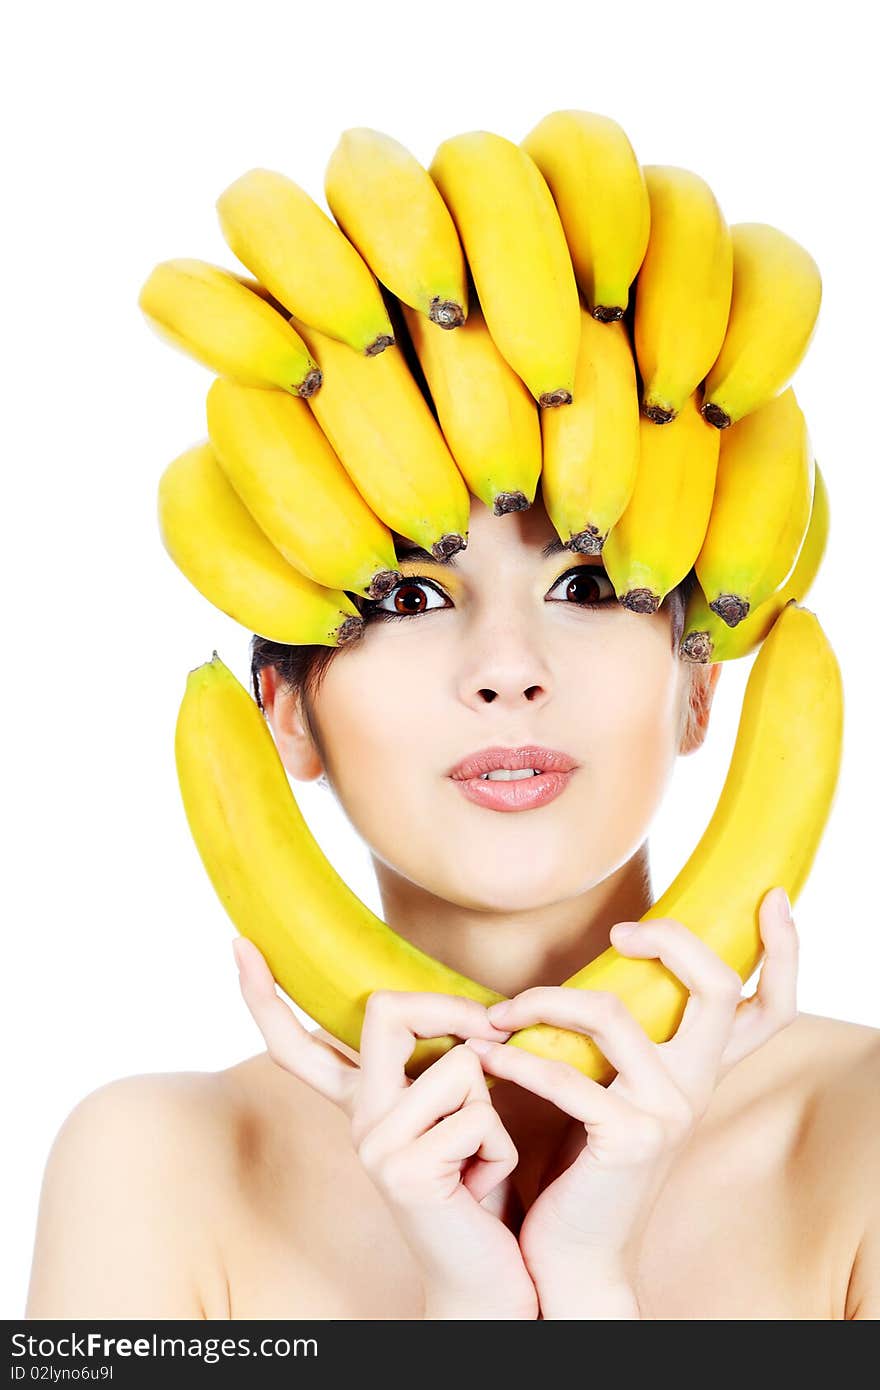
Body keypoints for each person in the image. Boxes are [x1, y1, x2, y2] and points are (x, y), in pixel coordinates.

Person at [25, 488, 880, 1319]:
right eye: (410, 595)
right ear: (286, 711)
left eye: (584, 585)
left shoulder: (861, 1136)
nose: (508, 670)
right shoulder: (149, 1170)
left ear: (697, 687)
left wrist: (590, 1287)